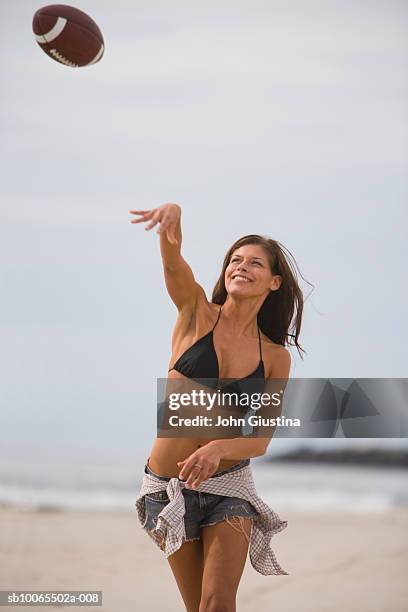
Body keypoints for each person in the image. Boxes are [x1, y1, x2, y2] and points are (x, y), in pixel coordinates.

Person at [131, 203, 307, 612]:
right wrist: (170, 222)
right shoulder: (195, 314)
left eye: (255, 263)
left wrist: (217, 449)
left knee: (218, 603)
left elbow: (260, 440)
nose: (241, 267)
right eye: (235, 260)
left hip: (229, 487)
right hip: (167, 488)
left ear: (274, 282)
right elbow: (174, 265)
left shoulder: (276, 358)